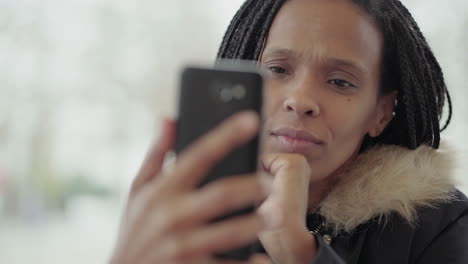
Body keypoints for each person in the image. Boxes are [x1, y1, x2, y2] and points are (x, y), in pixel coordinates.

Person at [110, 0, 468, 263]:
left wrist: (299, 253)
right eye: (277, 70)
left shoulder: (441, 225)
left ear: (381, 113)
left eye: (340, 81)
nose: (301, 100)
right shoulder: (182, 218)